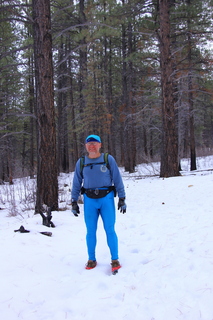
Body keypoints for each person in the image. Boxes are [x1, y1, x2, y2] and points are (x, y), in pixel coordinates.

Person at [71, 134, 126, 273]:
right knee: (90, 231)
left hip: (106, 199)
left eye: (95, 143)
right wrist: (73, 201)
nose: (92, 146)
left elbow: (117, 179)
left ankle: (115, 259)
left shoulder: (108, 159)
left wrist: (122, 198)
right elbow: (76, 182)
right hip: (89, 200)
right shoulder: (82, 162)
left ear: (100, 145)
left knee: (110, 229)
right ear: (86, 146)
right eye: (89, 144)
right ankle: (91, 259)